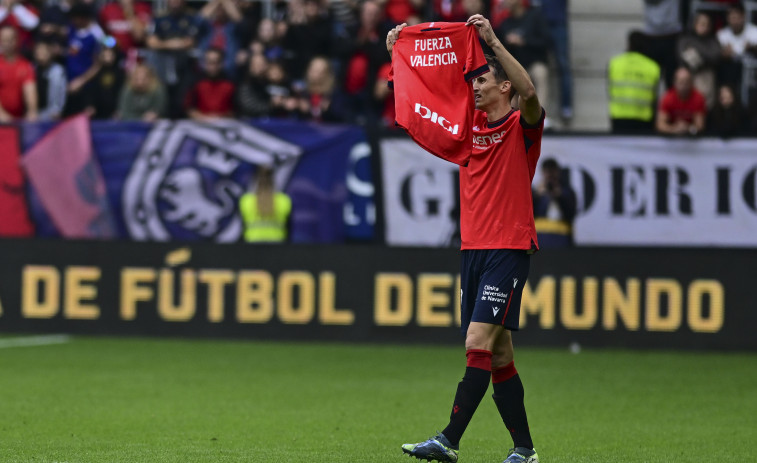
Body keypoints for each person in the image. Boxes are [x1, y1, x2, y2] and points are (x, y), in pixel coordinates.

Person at [387, 13, 544, 463]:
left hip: (508, 248)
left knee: (476, 342)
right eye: (472, 82)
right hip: (473, 250)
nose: (474, 87)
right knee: (498, 356)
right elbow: (424, 98)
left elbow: (532, 93)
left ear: (505, 87)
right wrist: (399, 55)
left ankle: (448, 440)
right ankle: (525, 451)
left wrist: (492, 43)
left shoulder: (521, 128)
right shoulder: (466, 130)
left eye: (483, 81)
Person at [607, 31, 661, 134]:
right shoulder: (652, 67)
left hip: (619, 117)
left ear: (629, 44)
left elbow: (609, 90)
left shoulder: (614, 63)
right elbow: (655, 97)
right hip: (643, 119)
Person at [676, 11, 721, 108]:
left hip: (705, 78)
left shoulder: (712, 40)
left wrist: (696, 51)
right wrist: (703, 57)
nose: (704, 27)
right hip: (689, 75)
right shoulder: (686, 39)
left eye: (707, 24)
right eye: (702, 24)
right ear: (695, 24)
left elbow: (715, 56)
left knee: (705, 104)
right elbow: (684, 57)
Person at [238, 166, 292, 243]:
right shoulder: (284, 200)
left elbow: (242, 229)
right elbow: (289, 229)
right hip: (277, 246)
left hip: (252, 246)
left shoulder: (246, 200)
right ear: (273, 180)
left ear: (255, 180)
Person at [532, 157, 577, 248]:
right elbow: (527, 214)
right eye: (547, 173)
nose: (550, 177)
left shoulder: (567, 191)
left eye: (552, 173)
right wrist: (536, 195)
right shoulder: (536, 191)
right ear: (543, 173)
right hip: (540, 238)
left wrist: (560, 196)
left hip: (562, 239)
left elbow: (571, 213)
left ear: (558, 172)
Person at [185, 47, 236, 120]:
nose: (211, 67)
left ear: (221, 63)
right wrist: (203, 117)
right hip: (200, 125)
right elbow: (188, 108)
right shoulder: (196, 83)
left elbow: (235, 110)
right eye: (208, 62)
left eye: (215, 62)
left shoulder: (231, 84)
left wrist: (218, 118)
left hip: (224, 124)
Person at [656, 66, 707, 136]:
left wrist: (688, 128)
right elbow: (660, 125)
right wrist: (674, 129)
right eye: (681, 82)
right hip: (672, 137)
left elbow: (700, 126)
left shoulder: (698, 98)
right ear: (675, 83)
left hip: (691, 137)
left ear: (691, 83)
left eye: (686, 82)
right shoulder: (668, 98)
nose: (684, 86)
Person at [0, 25, 36, 122]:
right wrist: (11, 122)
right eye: (4, 40)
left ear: (17, 40)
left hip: (19, 120)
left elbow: (30, 94)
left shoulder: (25, 65)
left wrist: (32, 112)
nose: (8, 43)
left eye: (11, 39)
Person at [716, 2, 757, 87]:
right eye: (732, 18)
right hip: (730, 75)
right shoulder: (722, 34)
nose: (735, 22)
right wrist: (723, 55)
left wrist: (753, 48)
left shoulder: (754, 31)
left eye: (737, 18)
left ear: (743, 17)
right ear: (727, 18)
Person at [33, 40, 67, 121]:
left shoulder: (58, 71)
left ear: (50, 54)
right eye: (39, 53)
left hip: (51, 114)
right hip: (35, 114)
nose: (42, 56)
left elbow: (61, 92)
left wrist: (57, 110)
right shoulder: (31, 69)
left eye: (44, 53)